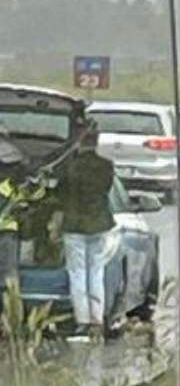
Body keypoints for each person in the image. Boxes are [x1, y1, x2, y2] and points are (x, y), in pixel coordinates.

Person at [55, 127, 115, 337]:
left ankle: (82, 320)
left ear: (79, 141)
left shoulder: (70, 167)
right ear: (97, 142)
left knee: (77, 273)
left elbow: (60, 193)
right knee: (96, 271)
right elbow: (106, 190)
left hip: (74, 226)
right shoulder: (106, 166)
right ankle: (97, 320)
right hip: (99, 224)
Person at [0, 166, 46, 288]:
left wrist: (38, 182)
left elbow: (37, 195)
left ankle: (8, 292)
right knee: (7, 267)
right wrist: (13, 209)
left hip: (9, 231)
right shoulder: (3, 191)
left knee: (9, 268)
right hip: (5, 231)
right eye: (24, 186)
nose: (25, 190)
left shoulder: (21, 189)